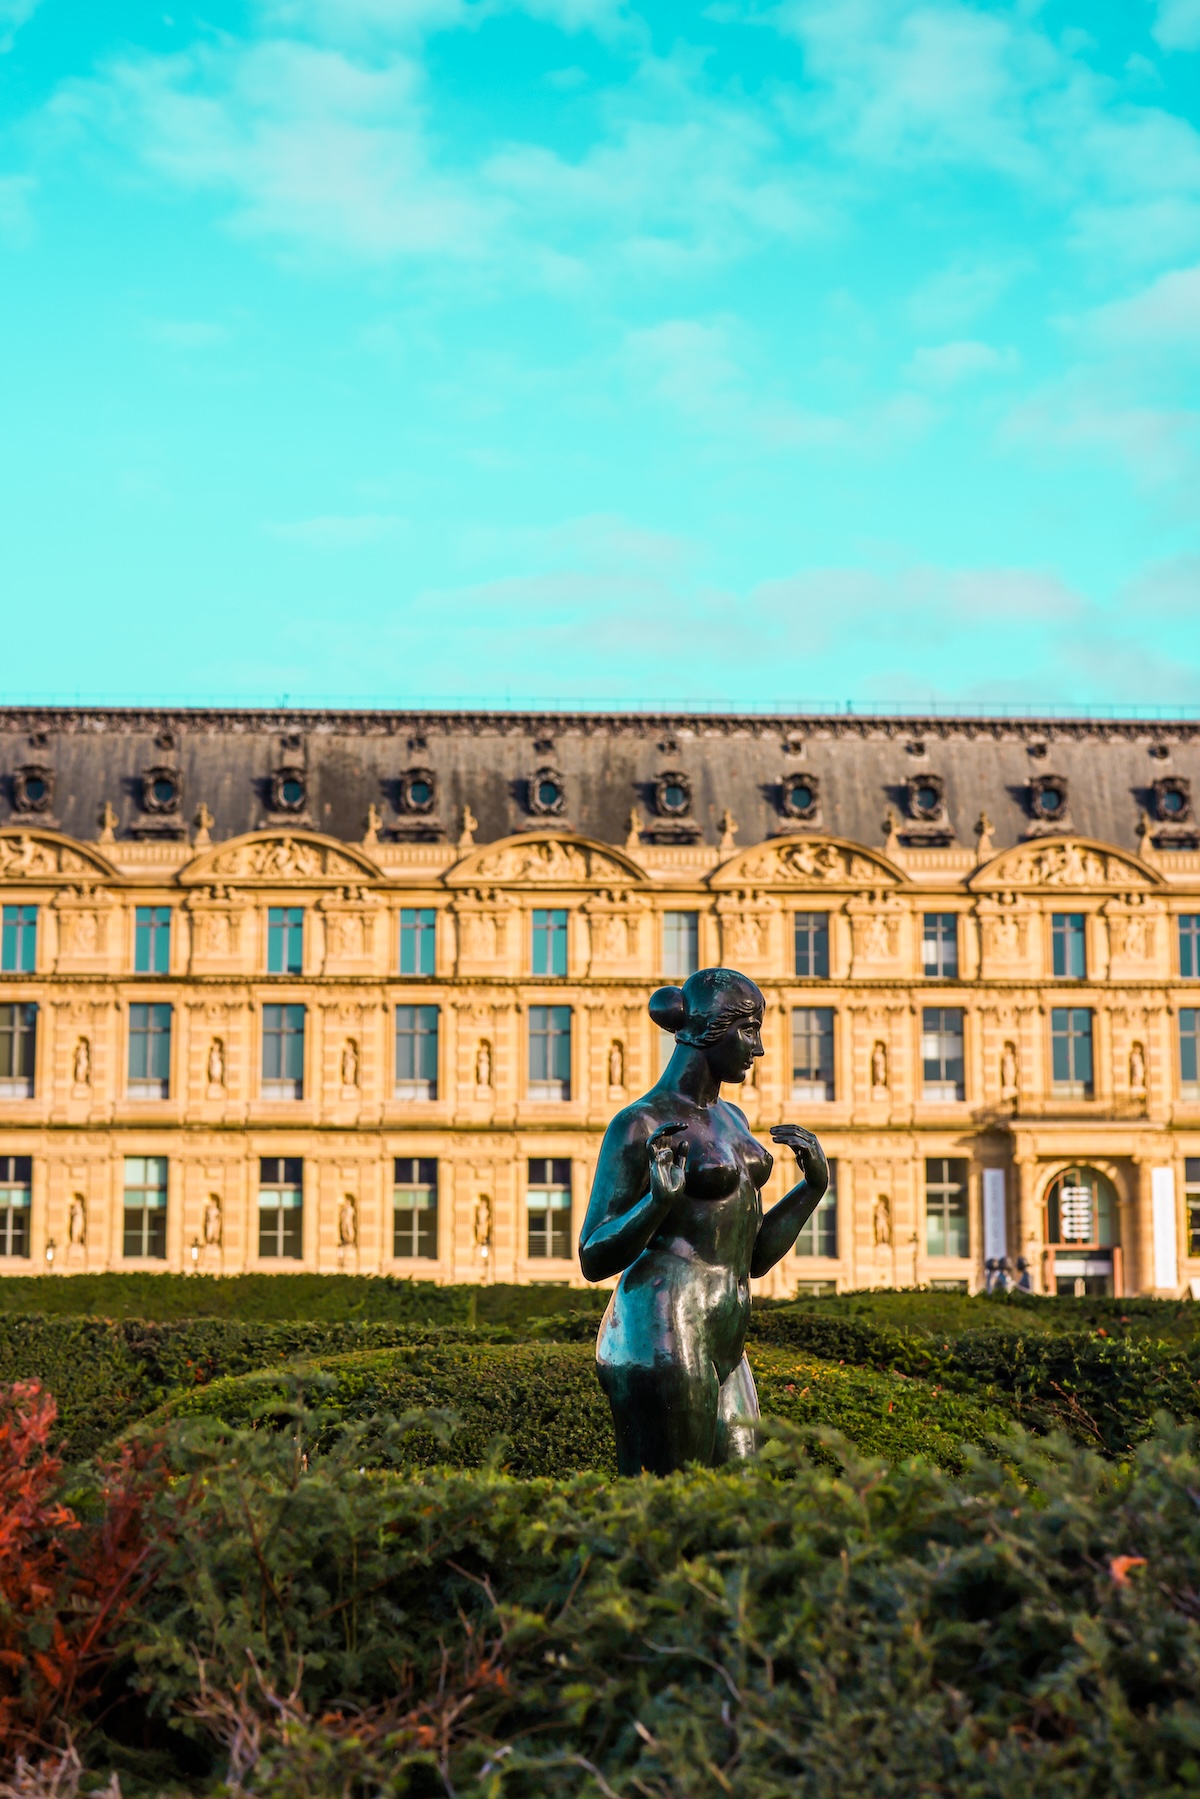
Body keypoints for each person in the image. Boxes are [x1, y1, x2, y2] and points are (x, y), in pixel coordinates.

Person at [579, 966, 828, 1475]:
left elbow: (752, 1258)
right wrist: (656, 1203)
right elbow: (593, 1255)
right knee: (672, 1504)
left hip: (725, 1333)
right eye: (748, 1030)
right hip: (661, 1326)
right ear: (708, 1031)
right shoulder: (639, 1123)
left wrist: (810, 1190)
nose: (757, 1050)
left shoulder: (734, 1120)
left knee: (740, 1495)